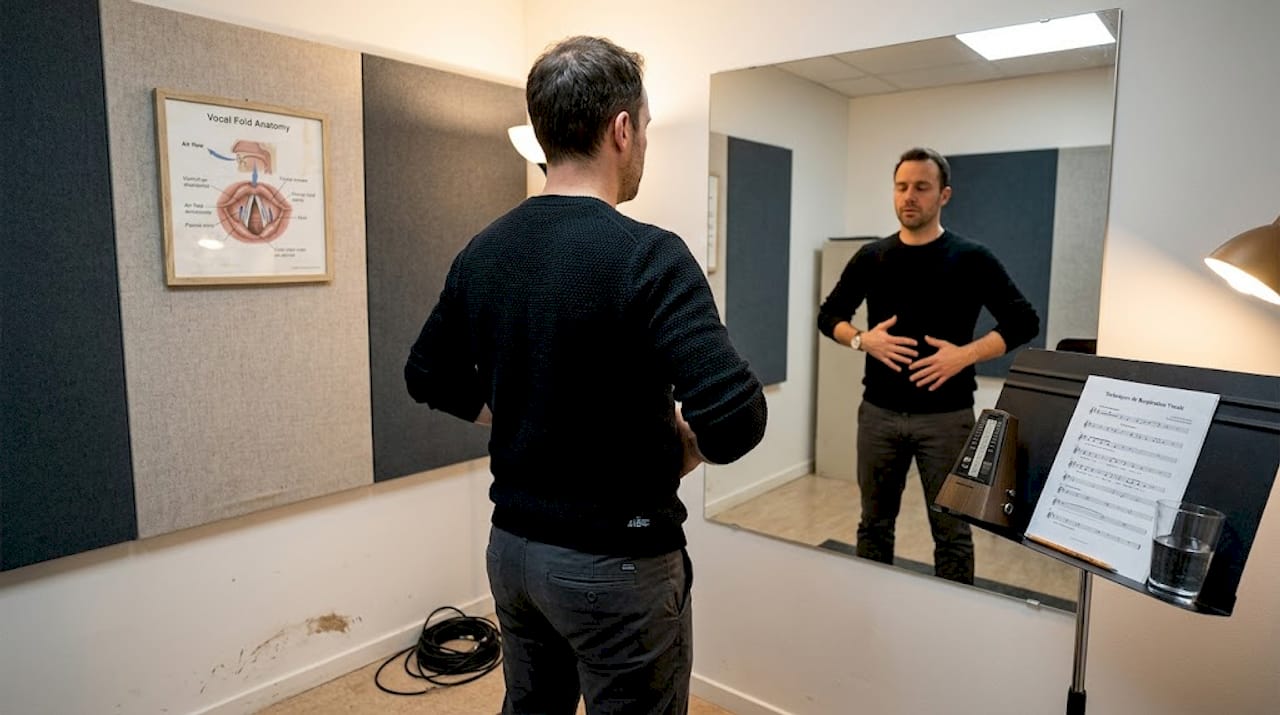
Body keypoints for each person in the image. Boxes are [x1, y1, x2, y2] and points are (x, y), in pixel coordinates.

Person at [405, 35, 767, 715]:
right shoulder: (647, 254)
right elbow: (736, 419)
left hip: (513, 556)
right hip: (618, 563)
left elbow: (426, 373)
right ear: (622, 130)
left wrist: (512, 414)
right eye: (648, 129)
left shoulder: (483, 251)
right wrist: (677, 449)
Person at [817, 147, 1039, 584]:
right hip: (878, 416)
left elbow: (1024, 321)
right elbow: (829, 317)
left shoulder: (972, 257)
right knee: (874, 526)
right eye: (902, 187)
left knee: (953, 533)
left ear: (944, 195)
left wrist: (965, 354)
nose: (909, 197)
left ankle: (953, 621)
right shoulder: (872, 256)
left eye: (921, 187)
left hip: (947, 421)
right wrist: (864, 339)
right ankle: (871, 607)